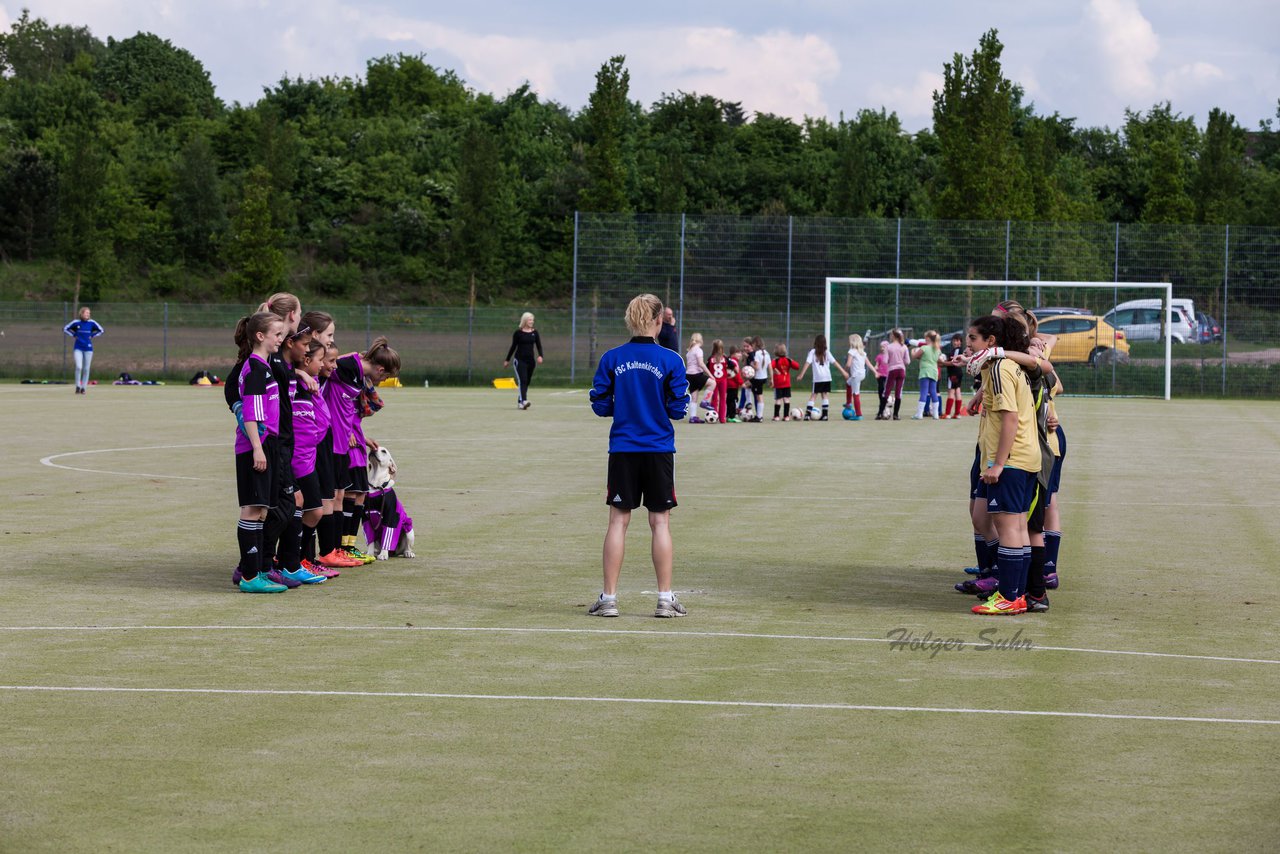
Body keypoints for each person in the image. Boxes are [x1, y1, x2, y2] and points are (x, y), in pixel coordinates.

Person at [588, 293, 691, 618]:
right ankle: (664, 599)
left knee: (618, 521)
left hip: (623, 449)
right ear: (659, 321)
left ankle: (609, 599)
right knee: (659, 521)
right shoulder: (671, 360)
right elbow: (678, 409)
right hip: (659, 449)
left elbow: (599, 403)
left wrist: (625, 406)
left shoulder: (612, 358)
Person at [967, 314, 1039, 615]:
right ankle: (1015, 594)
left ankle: (1009, 597)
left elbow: (1010, 417)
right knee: (1017, 527)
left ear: (991, 342)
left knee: (1009, 527)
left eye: (973, 338)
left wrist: (998, 463)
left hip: (1012, 461)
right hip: (1025, 458)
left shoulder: (1000, 368)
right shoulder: (1010, 367)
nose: (969, 344)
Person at [326, 337, 402, 564]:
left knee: (359, 493)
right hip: (340, 438)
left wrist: (359, 435)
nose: (383, 380)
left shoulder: (358, 372)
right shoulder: (348, 365)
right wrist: (345, 429)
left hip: (352, 435)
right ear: (380, 369)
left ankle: (348, 546)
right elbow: (323, 369)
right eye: (386, 376)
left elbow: (347, 406)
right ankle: (336, 548)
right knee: (344, 494)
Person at [231, 312, 290, 593]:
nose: (281, 339)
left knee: (262, 510)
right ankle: (250, 576)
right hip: (256, 445)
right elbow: (252, 416)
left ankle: (256, 572)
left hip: (268, 445)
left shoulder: (263, 368)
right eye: (277, 334)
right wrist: (257, 448)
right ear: (260, 336)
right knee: (252, 509)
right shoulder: (254, 369)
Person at [796, 334, 848, 420]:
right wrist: (843, 372)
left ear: (815, 343)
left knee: (813, 396)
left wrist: (801, 374)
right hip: (827, 377)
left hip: (818, 378)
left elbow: (807, 363)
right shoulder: (827, 352)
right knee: (824, 395)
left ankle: (808, 415)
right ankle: (825, 415)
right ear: (825, 343)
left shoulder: (812, 352)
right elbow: (835, 363)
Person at [504, 312, 544, 410]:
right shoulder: (518, 333)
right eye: (530, 320)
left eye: (532, 320)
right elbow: (513, 347)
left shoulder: (535, 333)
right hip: (519, 360)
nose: (532, 321)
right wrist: (507, 359)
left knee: (527, 382)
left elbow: (539, 346)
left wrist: (540, 356)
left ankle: (520, 401)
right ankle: (524, 401)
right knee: (523, 380)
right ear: (525, 320)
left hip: (531, 361)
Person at [63, 306, 104, 394]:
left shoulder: (92, 323)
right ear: (81, 313)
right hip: (78, 348)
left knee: (86, 369)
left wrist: (92, 335)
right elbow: (65, 328)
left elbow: (101, 330)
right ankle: (78, 386)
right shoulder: (76, 322)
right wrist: (74, 335)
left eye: (89, 313)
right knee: (79, 367)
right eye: (86, 313)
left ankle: (83, 388)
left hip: (88, 349)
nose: (88, 314)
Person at [910, 331, 943, 419]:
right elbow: (938, 360)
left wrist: (912, 351)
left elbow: (914, 356)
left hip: (925, 372)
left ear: (928, 339)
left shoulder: (924, 348)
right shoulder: (937, 349)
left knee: (924, 392)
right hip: (934, 372)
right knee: (933, 392)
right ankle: (936, 414)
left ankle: (919, 414)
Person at [844, 334, 874, 420]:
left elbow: (848, 364)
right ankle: (849, 403)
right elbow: (868, 364)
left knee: (856, 394)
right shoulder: (862, 352)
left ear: (852, 342)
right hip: (862, 374)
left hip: (856, 376)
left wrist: (844, 370)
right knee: (848, 383)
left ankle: (859, 414)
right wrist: (875, 372)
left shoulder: (851, 351)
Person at [882, 329, 910, 420]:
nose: (890, 336)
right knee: (898, 393)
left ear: (894, 336)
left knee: (887, 391)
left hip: (892, 370)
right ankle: (896, 415)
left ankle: (880, 413)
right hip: (901, 370)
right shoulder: (904, 347)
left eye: (891, 335)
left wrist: (891, 360)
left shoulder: (888, 347)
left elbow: (885, 361)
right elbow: (907, 361)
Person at [770, 344, 801, 421]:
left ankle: (776, 416)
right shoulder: (788, 360)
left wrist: (774, 370)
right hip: (786, 383)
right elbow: (797, 366)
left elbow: (770, 366)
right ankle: (786, 416)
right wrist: (791, 361)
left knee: (778, 399)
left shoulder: (775, 361)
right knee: (786, 399)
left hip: (778, 384)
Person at [684, 332, 711, 423]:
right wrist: (710, 375)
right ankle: (705, 401)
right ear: (701, 340)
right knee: (712, 383)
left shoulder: (690, 351)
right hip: (696, 374)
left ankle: (693, 417)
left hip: (688, 375)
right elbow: (701, 364)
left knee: (694, 396)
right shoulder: (698, 350)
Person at [942, 333, 966, 419]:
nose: (955, 342)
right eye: (954, 340)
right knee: (957, 391)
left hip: (953, 373)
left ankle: (947, 414)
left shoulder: (957, 350)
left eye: (957, 340)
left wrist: (943, 363)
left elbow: (954, 362)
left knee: (951, 392)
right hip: (958, 372)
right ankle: (957, 414)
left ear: (960, 342)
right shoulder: (958, 350)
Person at [707, 339, 729, 423]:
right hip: (723, 380)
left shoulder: (710, 358)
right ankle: (722, 418)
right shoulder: (725, 358)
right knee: (723, 399)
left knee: (714, 399)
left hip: (714, 381)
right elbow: (732, 365)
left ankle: (714, 416)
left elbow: (707, 368)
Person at [873, 341, 890, 420]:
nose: (882, 348)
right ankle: (882, 407)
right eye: (881, 347)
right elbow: (876, 365)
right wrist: (875, 369)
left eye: (884, 347)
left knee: (885, 392)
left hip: (887, 376)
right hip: (880, 376)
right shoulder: (879, 356)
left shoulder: (890, 356)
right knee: (880, 391)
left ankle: (885, 409)